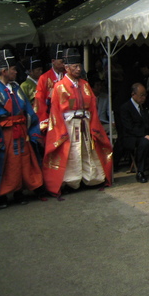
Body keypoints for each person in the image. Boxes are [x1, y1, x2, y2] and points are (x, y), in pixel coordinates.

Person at [42, 48, 113, 196]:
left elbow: (93, 105)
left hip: (85, 123)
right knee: (72, 152)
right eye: (75, 67)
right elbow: (55, 110)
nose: (78, 69)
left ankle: (89, 178)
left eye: (79, 66)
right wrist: (60, 130)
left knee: (87, 149)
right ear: (66, 68)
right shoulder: (59, 86)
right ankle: (71, 181)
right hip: (69, 124)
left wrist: (93, 123)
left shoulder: (85, 84)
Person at [0, 49, 44, 208]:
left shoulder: (16, 86)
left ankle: (19, 192)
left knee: (22, 162)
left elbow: (28, 110)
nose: (16, 72)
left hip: (20, 130)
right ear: (4, 71)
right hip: (5, 132)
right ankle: (2, 195)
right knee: (7, 163)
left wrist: (32, 128)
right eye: (13, 69)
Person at [34, 43, 66, 135]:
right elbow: (39, 101)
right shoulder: (44, 78)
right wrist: (45, 121)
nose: (64, 65)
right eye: (61, 62)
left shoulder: (67, 76)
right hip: (51, 117)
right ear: (53, 61)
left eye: (65, 62)